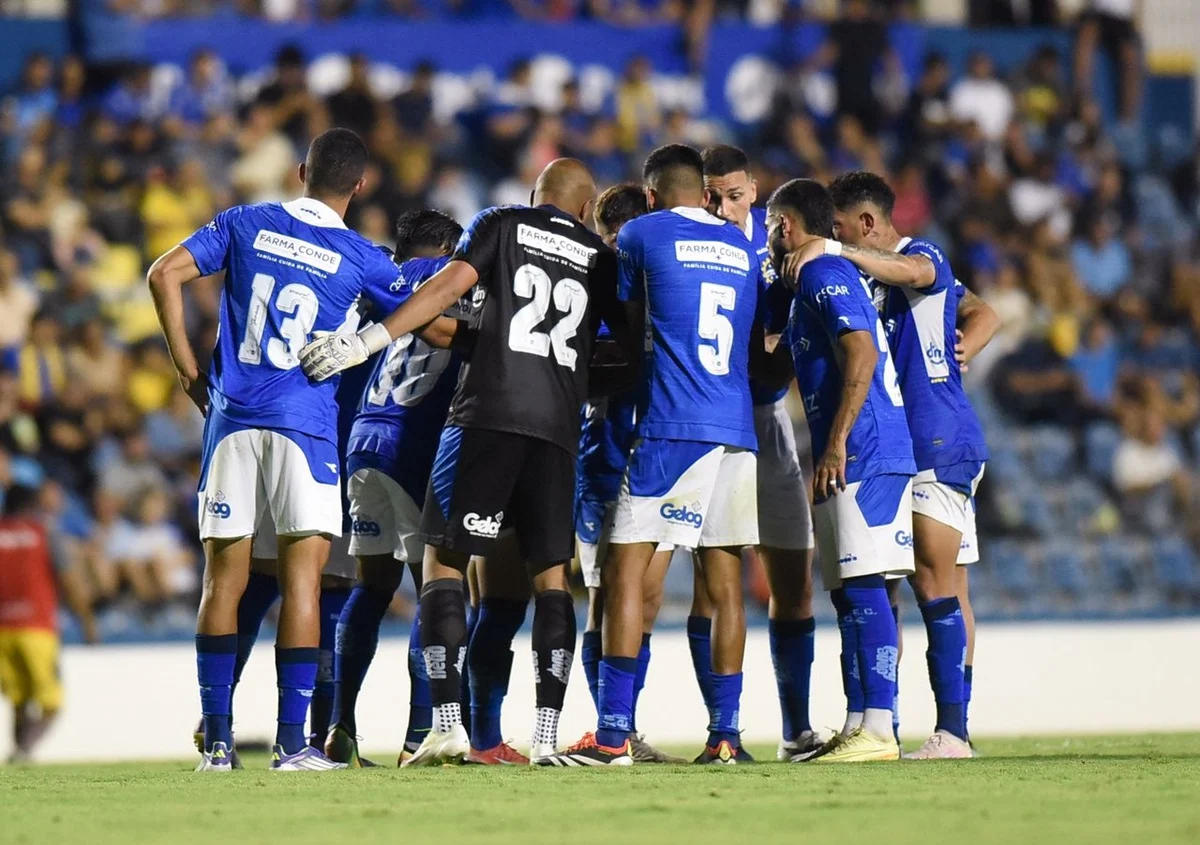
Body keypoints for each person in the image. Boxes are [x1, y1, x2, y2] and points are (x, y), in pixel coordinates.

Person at [300, 158, 631, 766]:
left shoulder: (502, 223)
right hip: (556, 429)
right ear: (585, 209)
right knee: (551, 580)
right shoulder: (598, 255)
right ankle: (548, 737)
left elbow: (447, 292)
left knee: (444, 563)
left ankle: (445, 725)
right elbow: (630, 345)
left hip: (485, 417)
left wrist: (370, 340)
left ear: (536, 195)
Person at [148, 128, 411, 772]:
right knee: (302, 583)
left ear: (299, 171)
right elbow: (428, 313)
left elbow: (164, 274)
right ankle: (293, 745)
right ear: (360, 186)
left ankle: (216, 742)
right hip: (306, 427)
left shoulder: (244, 222)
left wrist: (188, 371)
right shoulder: (359, 256)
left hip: (231, 422)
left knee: (224, 582)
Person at [545, 144, 767, 767]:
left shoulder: (641, 233)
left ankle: (613, 735)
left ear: (648, 195)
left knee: (621, 577)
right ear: (705, 192)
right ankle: (725, 736)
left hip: (672, 424)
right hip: (737, 429)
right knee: (724, 586)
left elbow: (612, 315)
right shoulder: (743, 248)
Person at [815, 171, 996, 757]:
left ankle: (952, 730)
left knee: (932, 580)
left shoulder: (919, 254)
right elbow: (981, 309)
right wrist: (972, 333)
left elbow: (926, 278)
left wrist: (836, 250)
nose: (834, 238)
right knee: (922, 581)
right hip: (912, 441)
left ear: (866, 224)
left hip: (937, 439)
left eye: (840, 228)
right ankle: (889, 722)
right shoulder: (872, 276)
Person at [322, 209, 482, 766]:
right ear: (444, 250)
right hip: (413, 445)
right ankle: (421, 733)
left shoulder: (383, 287)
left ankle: (340, 724)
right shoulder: (444, 287)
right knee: (434, 589)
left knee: (372, 587)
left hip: (364, 440)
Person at [767, 178, 914, 764]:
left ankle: (878, 726)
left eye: (775, 227)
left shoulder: (824, 274)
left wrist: (835, 444)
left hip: (864, 448)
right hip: (855, 446)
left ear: (786, 226)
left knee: (865, 587)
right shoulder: (808, 280)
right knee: (850, 594)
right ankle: (860, 721)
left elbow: (863, 351)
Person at [702, 145, 819, 761]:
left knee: (793, 580)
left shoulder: (777, 258)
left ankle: (795, 729)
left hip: (767, 424)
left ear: (754, 191)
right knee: (702, 587)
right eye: (712, 195)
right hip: (702, 425)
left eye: (735, 194)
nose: (723, 207)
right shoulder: (685, 245)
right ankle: (712, 729)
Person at [575, 183, 680, 764]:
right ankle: (611, 727)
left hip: (662, 450)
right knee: (608, 595)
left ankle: (623, 727)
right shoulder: (596, 281)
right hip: (608, 454)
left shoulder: (665, 281)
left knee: (649, 595)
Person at [0, 485, 68, 763]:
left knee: (18, 700)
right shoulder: (44, 532)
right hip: (37, 628)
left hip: (3, 629)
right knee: (51, 702)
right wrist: (86, 618)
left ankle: (18, 753)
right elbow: (67, 576)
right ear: (31, 505)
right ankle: (25, 750)